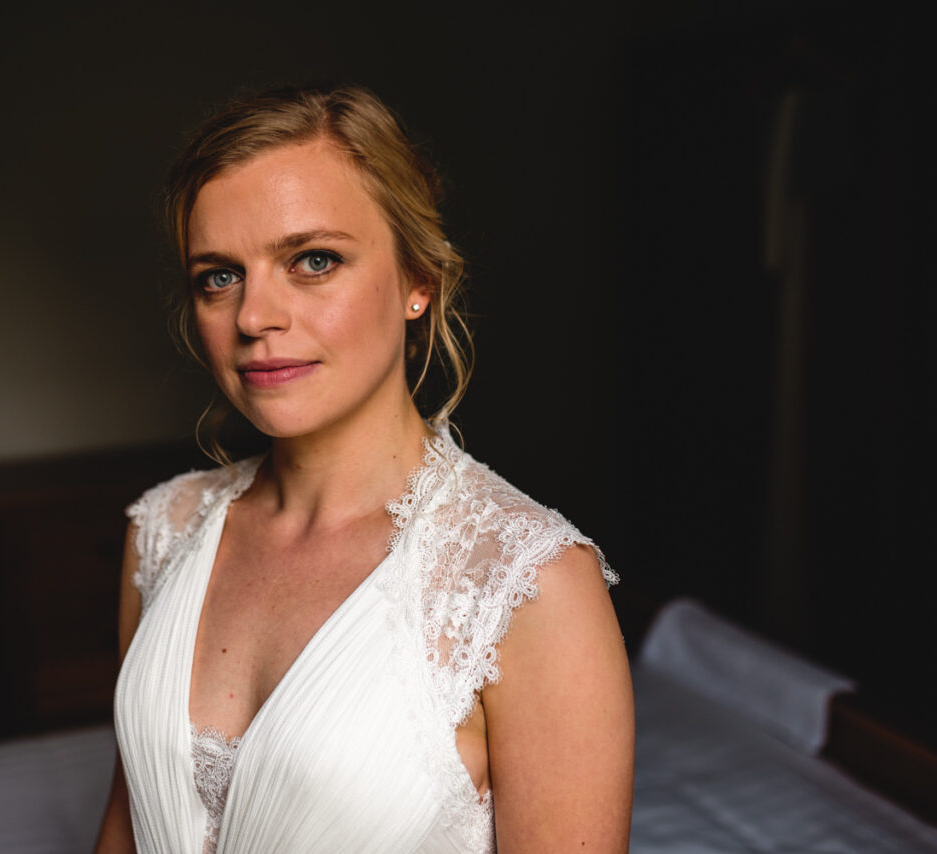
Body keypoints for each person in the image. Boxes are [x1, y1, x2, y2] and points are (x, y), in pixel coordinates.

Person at [93, 85, 634, 854]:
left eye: (313, 260)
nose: (253, 317)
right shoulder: (163, 529)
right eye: (219, 275)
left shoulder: (527, 583)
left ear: (419, 282)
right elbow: (125, 822)